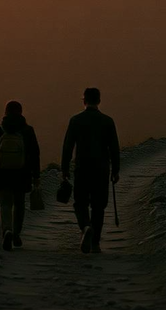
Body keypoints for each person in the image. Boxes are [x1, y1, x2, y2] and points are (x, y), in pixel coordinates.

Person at [60, 87, 120, 254]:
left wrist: (64, 168)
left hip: (82, 168)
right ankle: (95, 243)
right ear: (99, 101)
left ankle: (86, 226)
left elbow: (68, 146)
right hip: (101, 169)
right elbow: (114, 148)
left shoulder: (76, 120)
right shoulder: (108, 121)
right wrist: (115, 170)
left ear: (84, 101)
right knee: (98, 206)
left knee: (80, 203)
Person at [0, 100, 41, 251]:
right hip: (22, 173)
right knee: (19, 204)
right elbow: (35, 154)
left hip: (2, 172)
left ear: (5, 112)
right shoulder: (28, 130)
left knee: (5, 203)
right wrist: (36, 176)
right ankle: (16, 233)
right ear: (21, 112)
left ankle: (6, 230)